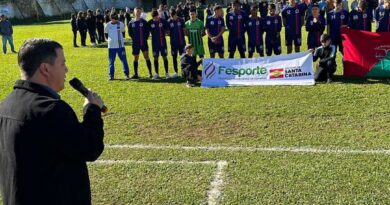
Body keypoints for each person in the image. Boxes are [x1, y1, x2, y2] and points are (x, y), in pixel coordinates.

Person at [0, 38, 104, 204]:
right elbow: (90, 148)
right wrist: (92, 110)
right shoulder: (51, 109)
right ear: (46, 68)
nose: (66, 69)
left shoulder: (5, 106)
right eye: (62, 64)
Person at [128, 7, 153, 79]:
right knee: (135, 58)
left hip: (143, 43)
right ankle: (136, 74)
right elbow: (130, 33)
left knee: (146, 56)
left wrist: (144, 39)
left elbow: (147, 32)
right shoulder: (131, 22)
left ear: (141, 13)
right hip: (135, 43)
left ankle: (150, 73)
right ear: (134, 12)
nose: (138, 13)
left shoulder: (144, 22)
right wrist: (135, 39)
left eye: (139, 11)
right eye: (137, 11)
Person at [104, 13, 130, 80]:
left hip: (120, 46)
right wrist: (110, 40)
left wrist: (121, 40)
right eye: (112, 18)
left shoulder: (121, 24)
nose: (114, 20)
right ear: (110, 18)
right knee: (111, 61)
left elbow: (123, 32)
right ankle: (111, 75)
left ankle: (126, 74)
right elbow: (106, 34)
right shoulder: (107, 25)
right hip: (111, 47)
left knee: (124, 60)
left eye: (115, 18)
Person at [149, 10, 170, 79]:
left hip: (162, 42)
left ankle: (167, 73)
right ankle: (156, 73)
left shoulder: (163, 21)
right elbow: (146, 31)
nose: (155, 19)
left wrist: (166, 32)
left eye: (156, 17)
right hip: (155, 43)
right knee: (155, 58)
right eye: (154, 18)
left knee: (165, 57)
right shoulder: (150, 22)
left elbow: (167, 30)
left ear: (158, 15)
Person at [167, 8, 186, 78]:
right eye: (170, 15)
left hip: (181, 42)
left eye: (173, 15)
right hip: (173, 43)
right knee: (174, 57)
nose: (172, 17)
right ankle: (176, 72)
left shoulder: (181, 20)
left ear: (175, 14)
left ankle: (183, 72)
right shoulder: (168, 21)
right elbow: (168, 33)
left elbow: (184, 30)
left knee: (183, 58)